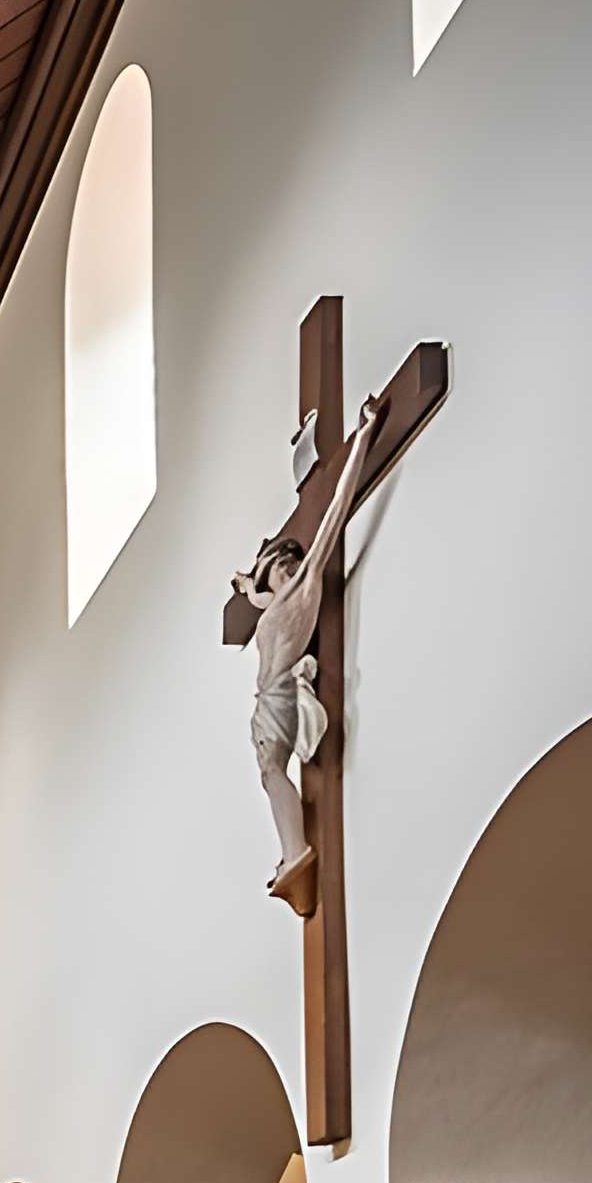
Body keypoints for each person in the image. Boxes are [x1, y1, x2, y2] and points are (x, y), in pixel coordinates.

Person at [237, 389, 387, 912]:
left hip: (278, 694)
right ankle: (289, 852)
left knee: (273, 773)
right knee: (267, 774)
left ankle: (295, 852)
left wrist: (365, 434)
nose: (279, 570)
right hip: (265, 702)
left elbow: (332, 518)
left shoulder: (301, 592)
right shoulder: (272, 600)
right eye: (274, 566)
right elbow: (255, 593)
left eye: (284, 563)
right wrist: (244, 585)